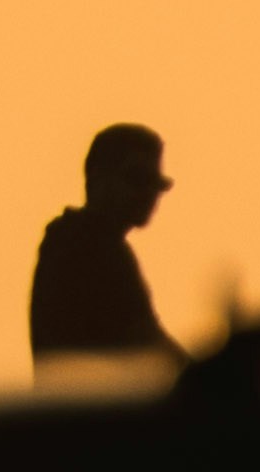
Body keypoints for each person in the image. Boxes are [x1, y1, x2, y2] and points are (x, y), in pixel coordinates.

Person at [28, 124, 178, 368]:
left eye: (155, 184)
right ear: (99, 179)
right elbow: (145, 340)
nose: (149, 193)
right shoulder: (88, 247)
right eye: (137, 179)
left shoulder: (81, 242)